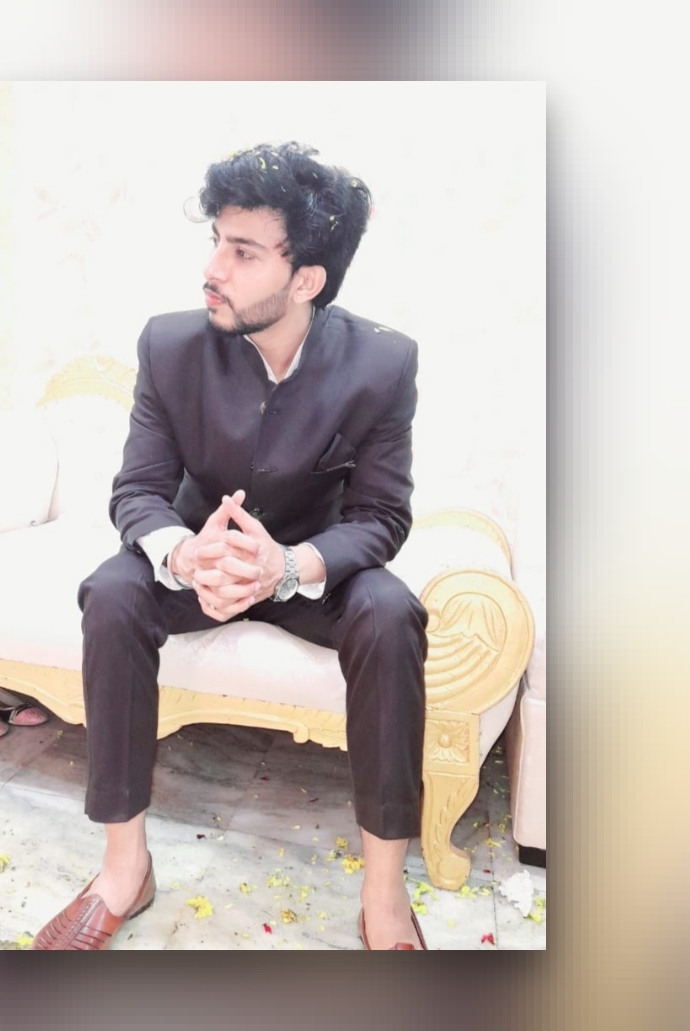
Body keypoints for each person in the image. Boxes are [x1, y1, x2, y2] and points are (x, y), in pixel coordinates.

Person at [31, 142, 429, 950]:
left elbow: (381, 516)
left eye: (242, 252)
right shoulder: (169, 345)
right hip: (200, 561)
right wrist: (183, 554)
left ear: (305, 279)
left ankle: (384, 893)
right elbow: (137, 490)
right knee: (111, 590)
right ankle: (124, 867)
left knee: (392, 612)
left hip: (309, 571)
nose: (212, 268)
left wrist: (287, 566)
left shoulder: (382, 362)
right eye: (216, 240)